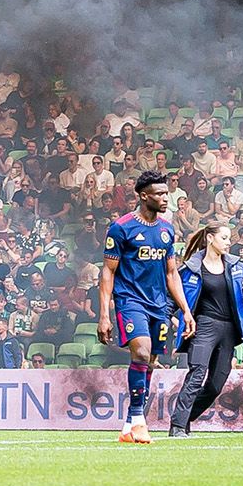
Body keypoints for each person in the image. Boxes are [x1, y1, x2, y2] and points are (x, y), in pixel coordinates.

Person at [97, 171, 194, 444]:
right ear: (143, 196)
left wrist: (185, 310)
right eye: (160, 194)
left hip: (160, 305)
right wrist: (104, 315)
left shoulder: (166, 229)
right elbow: (107, 273)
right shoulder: (121, 227)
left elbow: (171, 273)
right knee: (141, 352)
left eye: (167, 194)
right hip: (130, 301)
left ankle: (129, 424)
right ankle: (140, 420)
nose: (166, 198)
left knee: (150, 362)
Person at [169, 222, 243, 437]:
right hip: (203, 325)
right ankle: (177, 427)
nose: (229, 242)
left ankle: (183, 419)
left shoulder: (237, 266)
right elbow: (172, 299)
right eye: (224, 238)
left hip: (230, 330)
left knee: (215, 385)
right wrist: (168, 321)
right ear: (210, 239)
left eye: (229, 238)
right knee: (197, 374)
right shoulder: (191, 268)